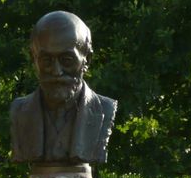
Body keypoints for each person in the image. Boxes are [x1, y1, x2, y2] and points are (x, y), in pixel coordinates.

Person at [10, 11, 117, 164]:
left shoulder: (105, 109)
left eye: (67, 60)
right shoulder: (19, 111)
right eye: (46, 60)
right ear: (33, 58)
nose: (56, 71)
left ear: (87, 59)